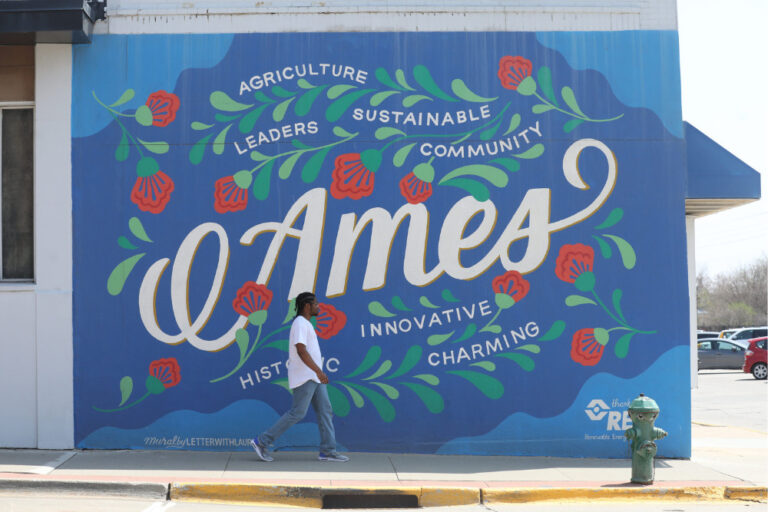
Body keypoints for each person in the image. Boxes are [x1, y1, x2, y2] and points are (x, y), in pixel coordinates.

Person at [250, 292, 349, 462]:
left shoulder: (306, 324)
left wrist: (317, 373)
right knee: (297, 413)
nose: (319, 307)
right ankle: (262, 441)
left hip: (313, 377)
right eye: (316, 304)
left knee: (325, 411)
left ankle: (327, 450)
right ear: (307, 306)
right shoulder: (300, 323)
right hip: (305, 377)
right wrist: (318, 371)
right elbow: (301, 350)